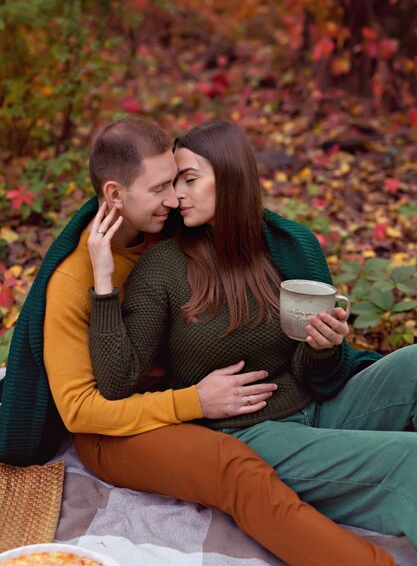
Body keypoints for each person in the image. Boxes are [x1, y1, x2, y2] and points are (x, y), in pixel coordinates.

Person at [88, 119, 417, 556]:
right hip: (247, 433)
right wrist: (105, 286)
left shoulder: (283, 247)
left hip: (312, 405)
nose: (176, 195)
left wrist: (322, 346)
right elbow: (115, 381)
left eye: (189, 179)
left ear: (230, 176)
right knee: (408, 460)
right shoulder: (164, 267)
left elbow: (309, 369)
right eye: (171, 183)